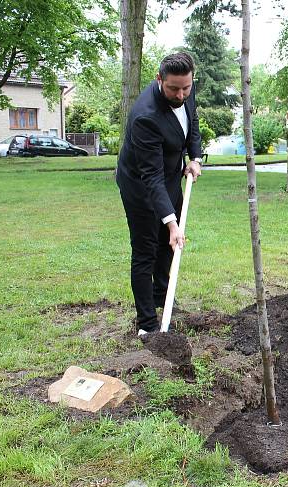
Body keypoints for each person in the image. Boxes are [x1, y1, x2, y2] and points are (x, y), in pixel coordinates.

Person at [116, 52, 204, 336]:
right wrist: (171, 223)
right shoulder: (146, 116)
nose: (181, 95)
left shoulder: (185, 90)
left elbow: (193, 124)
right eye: (174, 89)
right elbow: (149, 176)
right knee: (145, 250)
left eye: (186, 88)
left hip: (169, 179)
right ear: (159, 80)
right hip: (141, 186)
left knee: (168, 246)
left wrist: (195, 157)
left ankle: (161, 296)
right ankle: (147, 324)